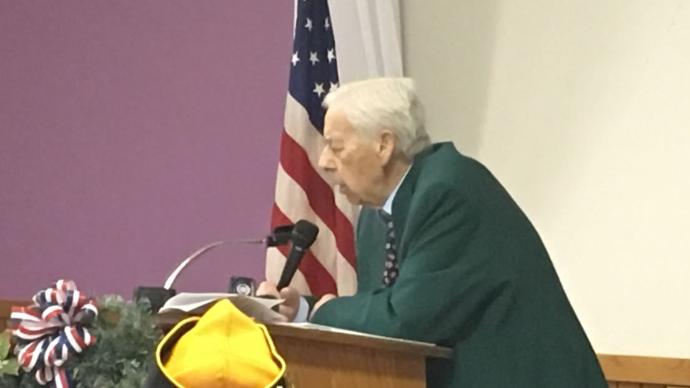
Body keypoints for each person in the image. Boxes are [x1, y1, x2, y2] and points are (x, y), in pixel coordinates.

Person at [258, 77, 607, 387]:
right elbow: (380, 318)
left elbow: (404, 320)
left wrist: (326, 312)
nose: (323, 161)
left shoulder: (449, 190)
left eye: (336, 146)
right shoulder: (376, 215)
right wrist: (303, 311)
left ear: (384, 145)